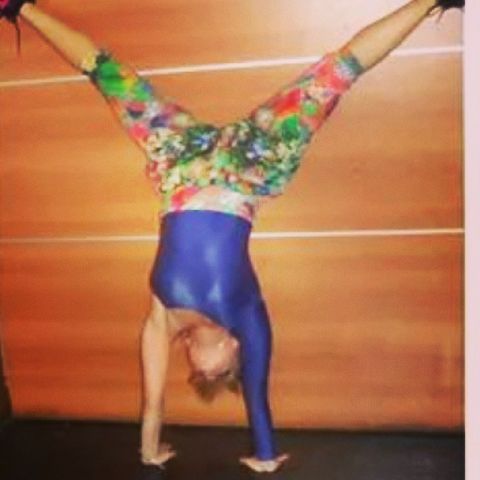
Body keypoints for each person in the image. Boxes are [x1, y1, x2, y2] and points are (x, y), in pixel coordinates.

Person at [0, 0, 463, 473]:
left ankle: (19, 6)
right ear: (234, 349)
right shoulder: (247, 316)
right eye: (215, 374)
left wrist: (149, 451)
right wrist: (265, 457)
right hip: (251, 165)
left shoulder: (163, 316)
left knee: (106, 72)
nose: (198, 367)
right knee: (337, 71)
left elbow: (152, 400)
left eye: (194, 372)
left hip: (181, 162)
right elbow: (257, 400)